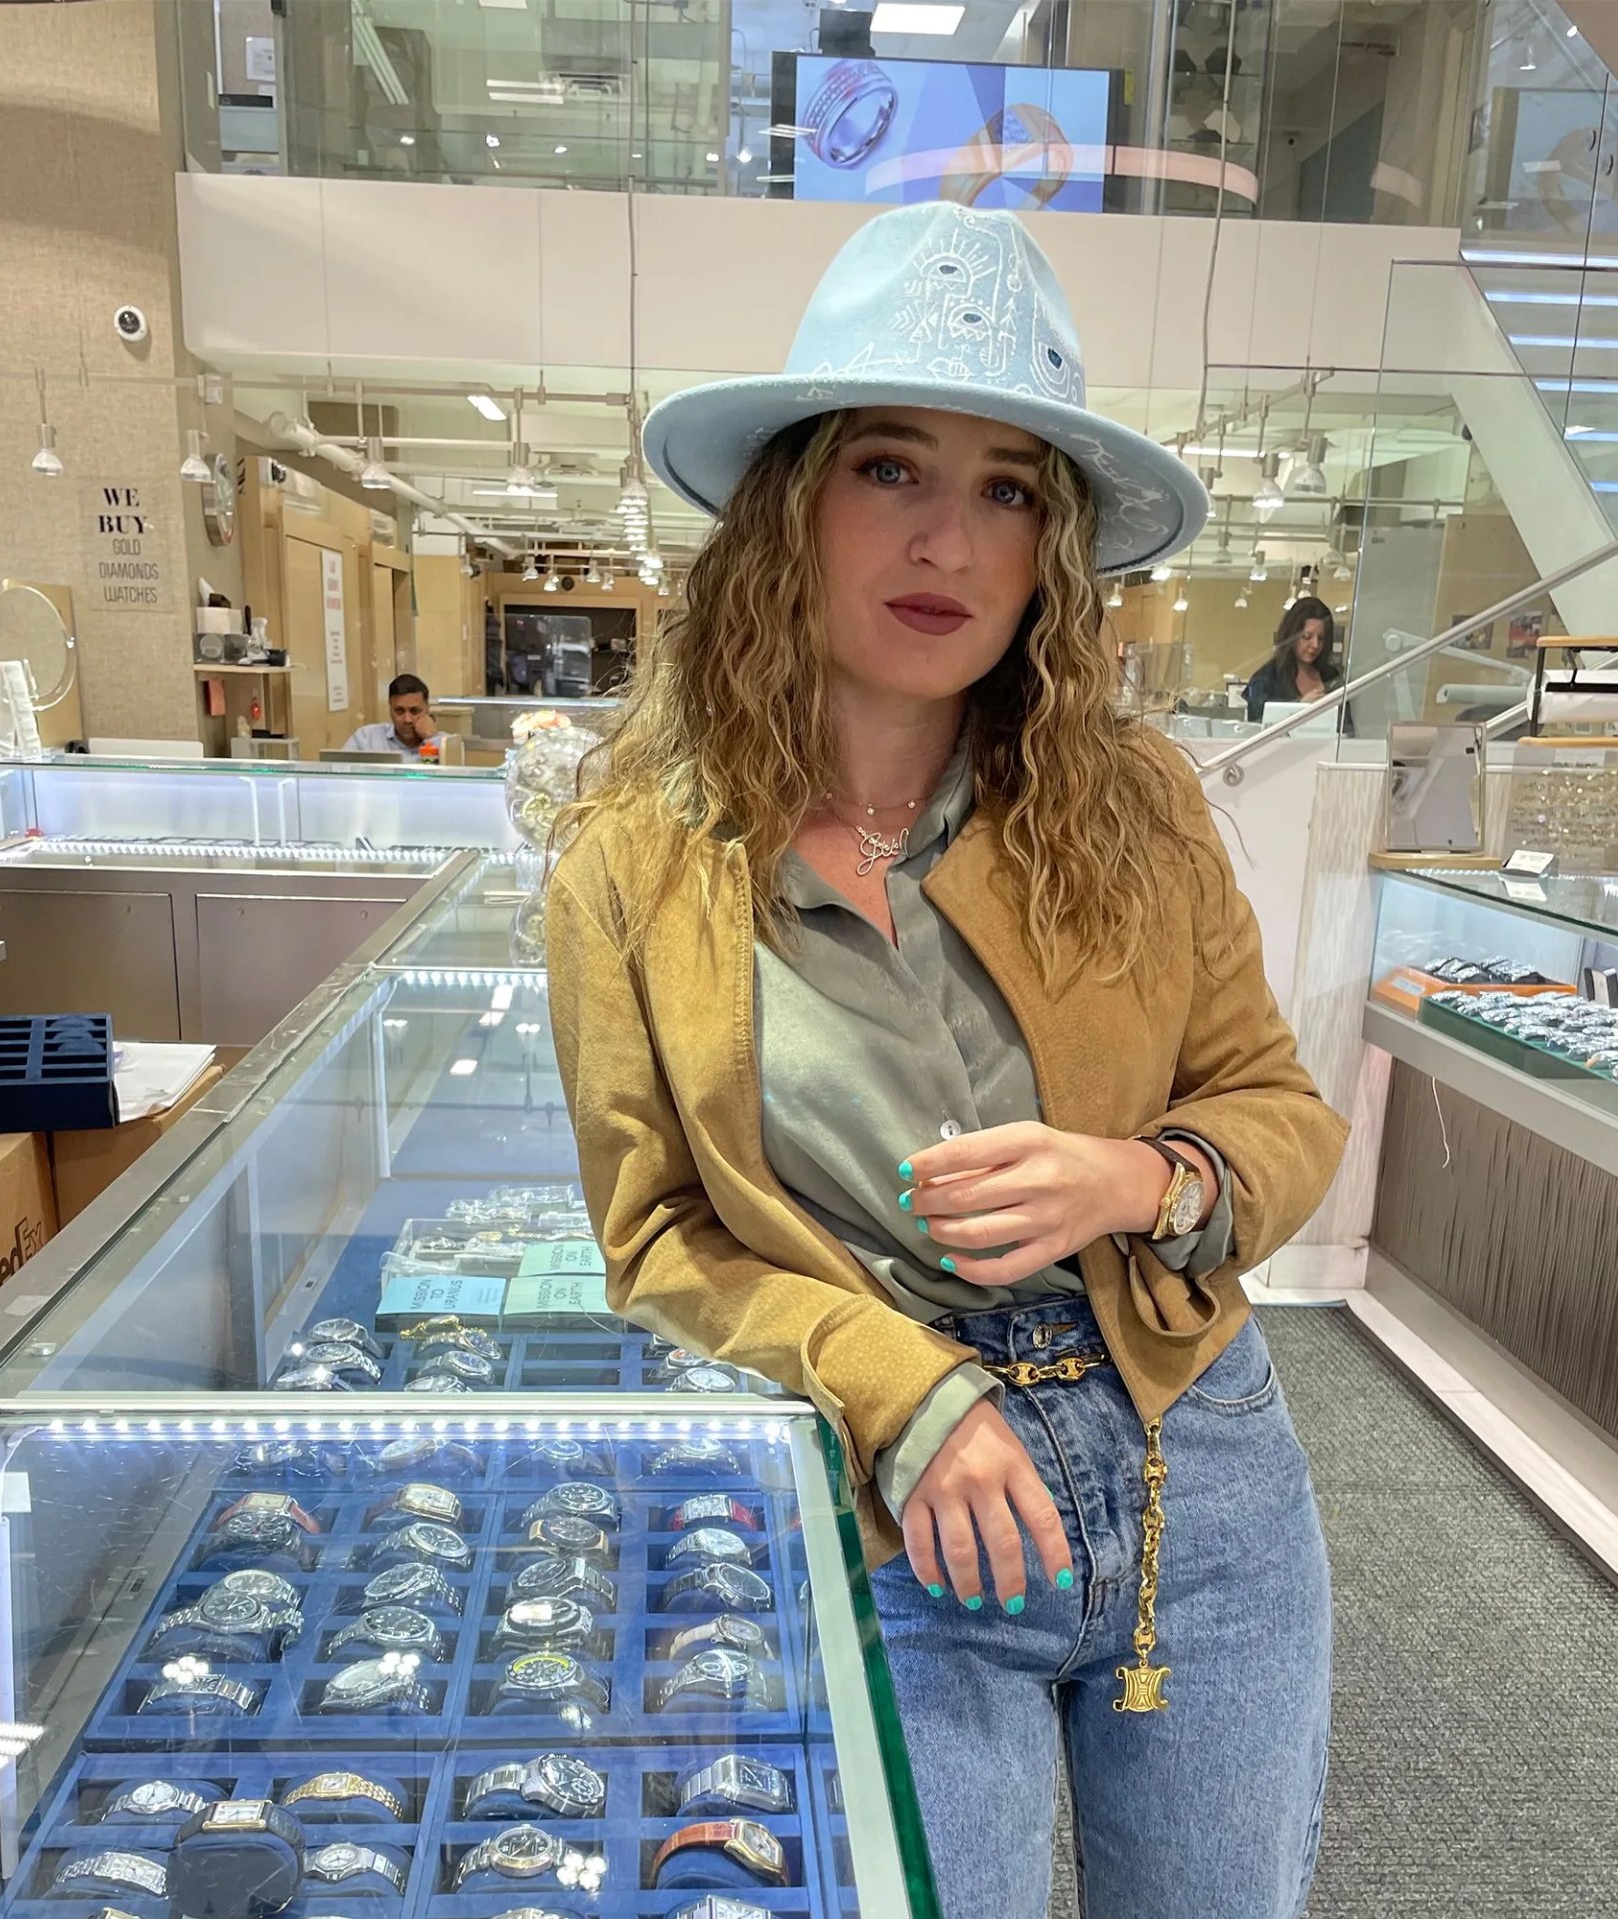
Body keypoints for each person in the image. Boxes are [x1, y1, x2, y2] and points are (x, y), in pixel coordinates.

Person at [546, 204, 1345, 1919]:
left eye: (1005, 487)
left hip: (1186, 1467)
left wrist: (1142, 1175)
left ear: (1049, 546)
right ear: (791, 503)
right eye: (890, 466)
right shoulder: (634, 857)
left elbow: (1277, 1111)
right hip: (895, 1488)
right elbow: (655, 1232)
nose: (946, 539)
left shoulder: (1127, 807)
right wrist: (892, 1382)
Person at [1245, 596, 1342, 722]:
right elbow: (1257, 728)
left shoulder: (1332, 677)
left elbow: (1346, 725)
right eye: (1307, 637)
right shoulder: (1266, 679)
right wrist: (1299, 708)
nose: (1315, 645)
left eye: (1321, 638)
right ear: (1292, 636)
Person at [340, 673, 436, 757]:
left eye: (414, 711)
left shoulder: (445, 744)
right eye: (399, 711)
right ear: (390, 709)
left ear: (427, 710)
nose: (407, 719)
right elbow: (336, 771)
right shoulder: (366, 738)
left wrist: (431, 739)